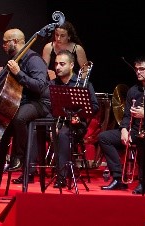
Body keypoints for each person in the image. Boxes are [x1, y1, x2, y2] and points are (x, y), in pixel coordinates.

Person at [0, 28, 51, 193]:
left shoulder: (34, 60)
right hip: (21, 102)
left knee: (19, 117)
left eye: (6, 42)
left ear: (17, 42)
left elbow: (40, 87)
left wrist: (19, 73)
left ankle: (18, 157)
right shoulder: (15, 59)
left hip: (39, 103)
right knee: (0, 131)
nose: (3, 45)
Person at [99, 56, 145, 194]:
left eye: (142, 69)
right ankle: (117, 178)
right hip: (135, 130)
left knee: (143, 141)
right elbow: (127, 115)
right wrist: (123, 130)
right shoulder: (133, 91)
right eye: (136, 69)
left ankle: (143, 183)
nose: (138, 72)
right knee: (104, 137)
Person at [48, 50, 99, 188]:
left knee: (64, 135)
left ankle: (62, 176)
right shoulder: (52, 84)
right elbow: (47, 107)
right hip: (57, 122)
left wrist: (79, 115)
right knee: (35, 130)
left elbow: (94, 106)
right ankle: (31, 173)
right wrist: (51, 127)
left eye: (62, 64)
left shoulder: (83, 84)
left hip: (77, 126)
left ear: (71, 65)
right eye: (56, 64)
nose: (57, 67)